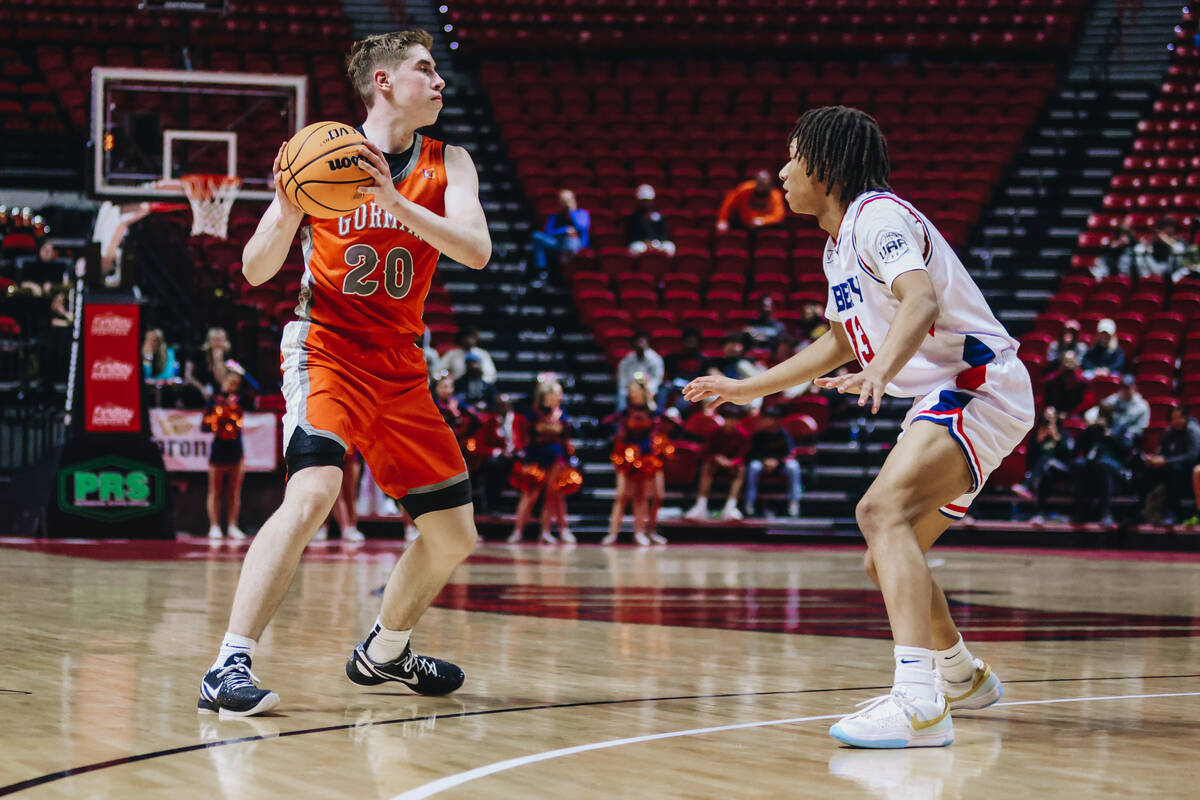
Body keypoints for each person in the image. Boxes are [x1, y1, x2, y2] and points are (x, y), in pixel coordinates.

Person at [684, 106, 1034, 749]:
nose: (783, 171)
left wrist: (884, 370)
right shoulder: (837, 243)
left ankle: (919, 705)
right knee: (886, 555)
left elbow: (920, 298)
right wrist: (745, 387)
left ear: (826, 165)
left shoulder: (878, 215)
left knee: (878, 511)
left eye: (793, 157)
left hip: (977, 384)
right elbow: (843, 339)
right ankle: (960, 675)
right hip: (952, 393)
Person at [197, 29, 492, 717]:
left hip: (400, 363)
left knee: (454, 535)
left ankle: (384, 653)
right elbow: (254, 267)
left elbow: (476, 250)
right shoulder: (318, 155)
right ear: (383, 82)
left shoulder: (452, 163)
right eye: (425, 68)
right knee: (314, 491)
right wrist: (288, 203)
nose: (440, 80)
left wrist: (394, 202)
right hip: (325, 345)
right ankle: (228, 662)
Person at [508, 374, 576, 544]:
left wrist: (569, 459)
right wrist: (525, 461)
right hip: (535, 457)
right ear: (546, 395)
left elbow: (565, 439)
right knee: (531, 494)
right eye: (557, 393)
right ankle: (518, 531)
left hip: (556, 456)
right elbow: (525, 438)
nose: (560, 397)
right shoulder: (532, 413)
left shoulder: (562, 414)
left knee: (552, 494)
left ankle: (546, 531)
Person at [603, 379, 672, 545]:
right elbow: (611, 427)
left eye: (635, 390)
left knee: (643, 495)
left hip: (647, 456)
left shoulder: (653, 412)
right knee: (621, 495)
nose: (632, 394)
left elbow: (662, 430)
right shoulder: (625, 413)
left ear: (644, 392)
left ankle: (641, 532)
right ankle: (613, 533)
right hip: (628, 455)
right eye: (630, 391)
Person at [683, 404, 750, 521]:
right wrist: (716, 458)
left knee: (741, 469)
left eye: (734, 419)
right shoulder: (715, 432)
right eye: (729, 418)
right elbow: (706, 453)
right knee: (706, 467)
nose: (731, 421)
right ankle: (701, 505)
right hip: (715, 464)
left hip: (732, 466)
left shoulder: (743, 435)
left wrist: (732, 462)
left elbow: (743, 456)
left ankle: (730, 507)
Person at [204, 371, 249, 541]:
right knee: (215, 490)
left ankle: (232, 525)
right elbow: (205, 425)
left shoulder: (242, 400)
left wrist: (242, 373)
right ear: (223, 382)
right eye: (230, 382)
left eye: (236, 383)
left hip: (236, 449)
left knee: (233, 492)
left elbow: (256, 389)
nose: (233, 386)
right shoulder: (214, 401)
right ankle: (214, 526)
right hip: (219, 448)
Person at [1014, 406, 1075, 524]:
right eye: (1046, 418)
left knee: (1046, 460)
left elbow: (1069, 454)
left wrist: (1056, 437)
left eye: (1051, 418)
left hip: (1062, 469)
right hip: (1044, 471)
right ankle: (1038, 515)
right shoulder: (1038, 434)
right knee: (1044, 476)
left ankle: (1026, 486)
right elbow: (1030, 457)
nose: (1049, 421)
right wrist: (1038, 441)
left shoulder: (1063, 433)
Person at [1142, 405, 1200, 525]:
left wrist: (1166, 461)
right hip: (1172, 468)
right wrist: (1155, 459)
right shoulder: (1170, 432)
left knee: (1172, 472)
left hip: (1190, 470)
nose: (1175, 422)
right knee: (1148, 470)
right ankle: (1146, 509)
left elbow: (1192, 456)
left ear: (1186, 418)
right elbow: (1163, 452)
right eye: (1173, 419)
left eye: (1179, 418)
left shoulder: (1193, 432)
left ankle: (1173, 513)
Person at [744, 407, 802, 517]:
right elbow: (752, 453)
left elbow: (790, 454)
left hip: (780, 465)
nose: (765, 421)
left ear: (776, 420)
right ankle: (749, 503)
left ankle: (794, 503)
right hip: (762, 464)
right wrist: (764, 461)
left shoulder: (784, 435)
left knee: (794, 467)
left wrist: (777, 462)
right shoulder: (758, 435)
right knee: (753, 467)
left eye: (769, 418)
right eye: (765, 418)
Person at [530, 189, 589, 273]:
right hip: (558, 242)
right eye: (563, 200)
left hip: (576, 243)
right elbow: (548, 232)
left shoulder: (582, 214)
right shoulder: (555, 216)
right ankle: (541, 269)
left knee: (571, 239)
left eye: (568, 200)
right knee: (536, 236)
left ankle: (565, 263)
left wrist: (571, 212)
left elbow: (582, 228)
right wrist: (564, 230)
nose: (566, 203)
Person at [1085, 373, 1149, 448]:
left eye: (1127, 388)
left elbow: (1133, 426)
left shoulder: (1141, 405)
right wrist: (1094, 419)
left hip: (1130, 439)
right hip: (1113, 436)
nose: (1124, 390)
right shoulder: (1116, 399)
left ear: (1134, 388)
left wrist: (1115, 431)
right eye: (1122, 387)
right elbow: (1098, 410)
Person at [715, 170, 786, 232]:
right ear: (756, 182)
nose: (763, 187)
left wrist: (762, 221)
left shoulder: (775, 195)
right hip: (743, 223)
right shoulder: (744, 189)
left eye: (765, 184)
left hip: (764, 226)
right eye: (760, 183)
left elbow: (778, 215)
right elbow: (728, 203)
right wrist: (722, 220)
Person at [185, 327, 236, 408]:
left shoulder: (226, 356)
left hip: (215, 395)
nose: (218, 343)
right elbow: (188, 376)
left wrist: (217, 361)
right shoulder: (197, 353)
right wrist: (202, 389)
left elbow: (221, 380)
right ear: (209, 341)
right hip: (196, 390)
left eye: (220, 340)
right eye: (215, 340)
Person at [616, 331, 664, 409]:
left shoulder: (655, 359)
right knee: (622, 393)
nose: (640, 344)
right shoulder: (627, 359)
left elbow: (657, 379)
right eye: (638, 341)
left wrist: (648, 391)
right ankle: (621, 415)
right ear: (634, 343)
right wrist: (629, 389)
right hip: (631, 388)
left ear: (647, 343)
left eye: (642, 341)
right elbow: (622, 378)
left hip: (648, 388)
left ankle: (653, 416)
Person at [625, 184, 675, 256]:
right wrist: (645, 242)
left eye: (648, 200)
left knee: (670, 246)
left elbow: (664, 233)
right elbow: (630, 236)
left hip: (657, 243)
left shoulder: (659, 215)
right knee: (636, 248)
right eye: (643, 200)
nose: (646, 203)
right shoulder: (632, 217)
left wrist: (656, 242)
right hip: (642, 244)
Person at [1042, 351, 1092, 418]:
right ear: (1061, 364)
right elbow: (1047, 400)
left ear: (1076, 364)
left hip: (1075, 415)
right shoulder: (1052, 381)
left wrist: (1070, 414)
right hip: (1056, 413)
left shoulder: (1083, 382)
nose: (1068, 365)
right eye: (1066, 362)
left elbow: (1087, 402)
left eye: (1071, 362)